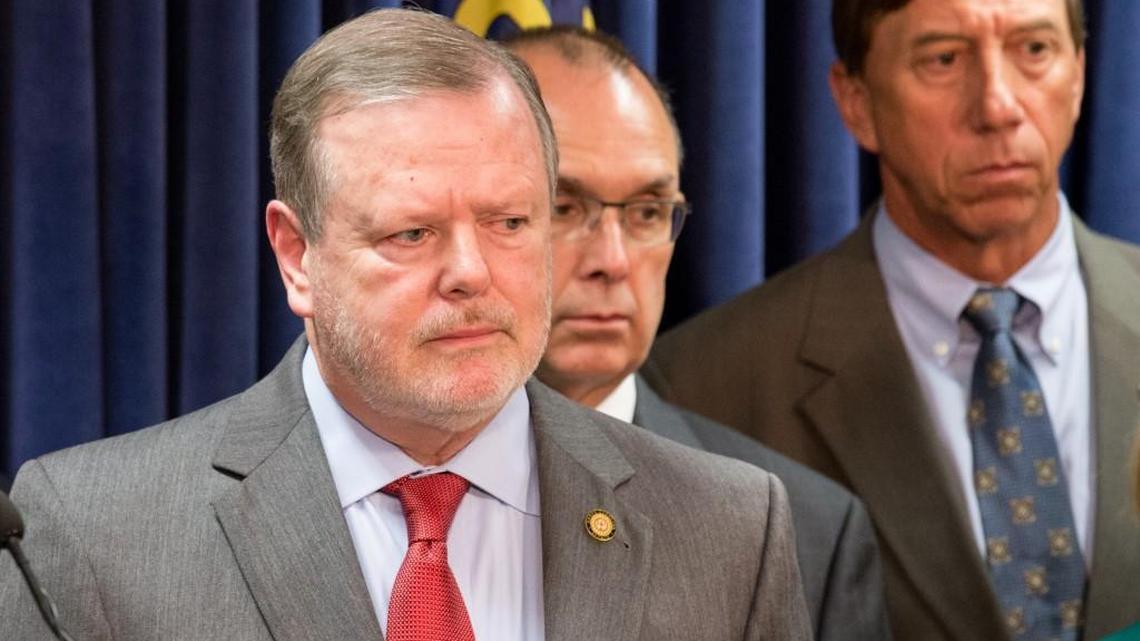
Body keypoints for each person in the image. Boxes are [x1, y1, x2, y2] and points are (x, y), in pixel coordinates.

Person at [0, 9, 811, 641]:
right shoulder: (90, 535)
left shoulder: (728, 531)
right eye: (411, 234)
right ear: (296, 255)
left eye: (511, 222)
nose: (471, 271)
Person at [647, 0, 1140, 639]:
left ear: (1077, 74)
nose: (998, 106)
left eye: (1034, 51)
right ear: (856, 103)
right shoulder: (703, 390)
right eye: (943, 59)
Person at [503, 26, 891, 641]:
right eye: (562, 206)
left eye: (648, 213)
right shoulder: (371, 485)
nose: (614, 259)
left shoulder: (805, 531)